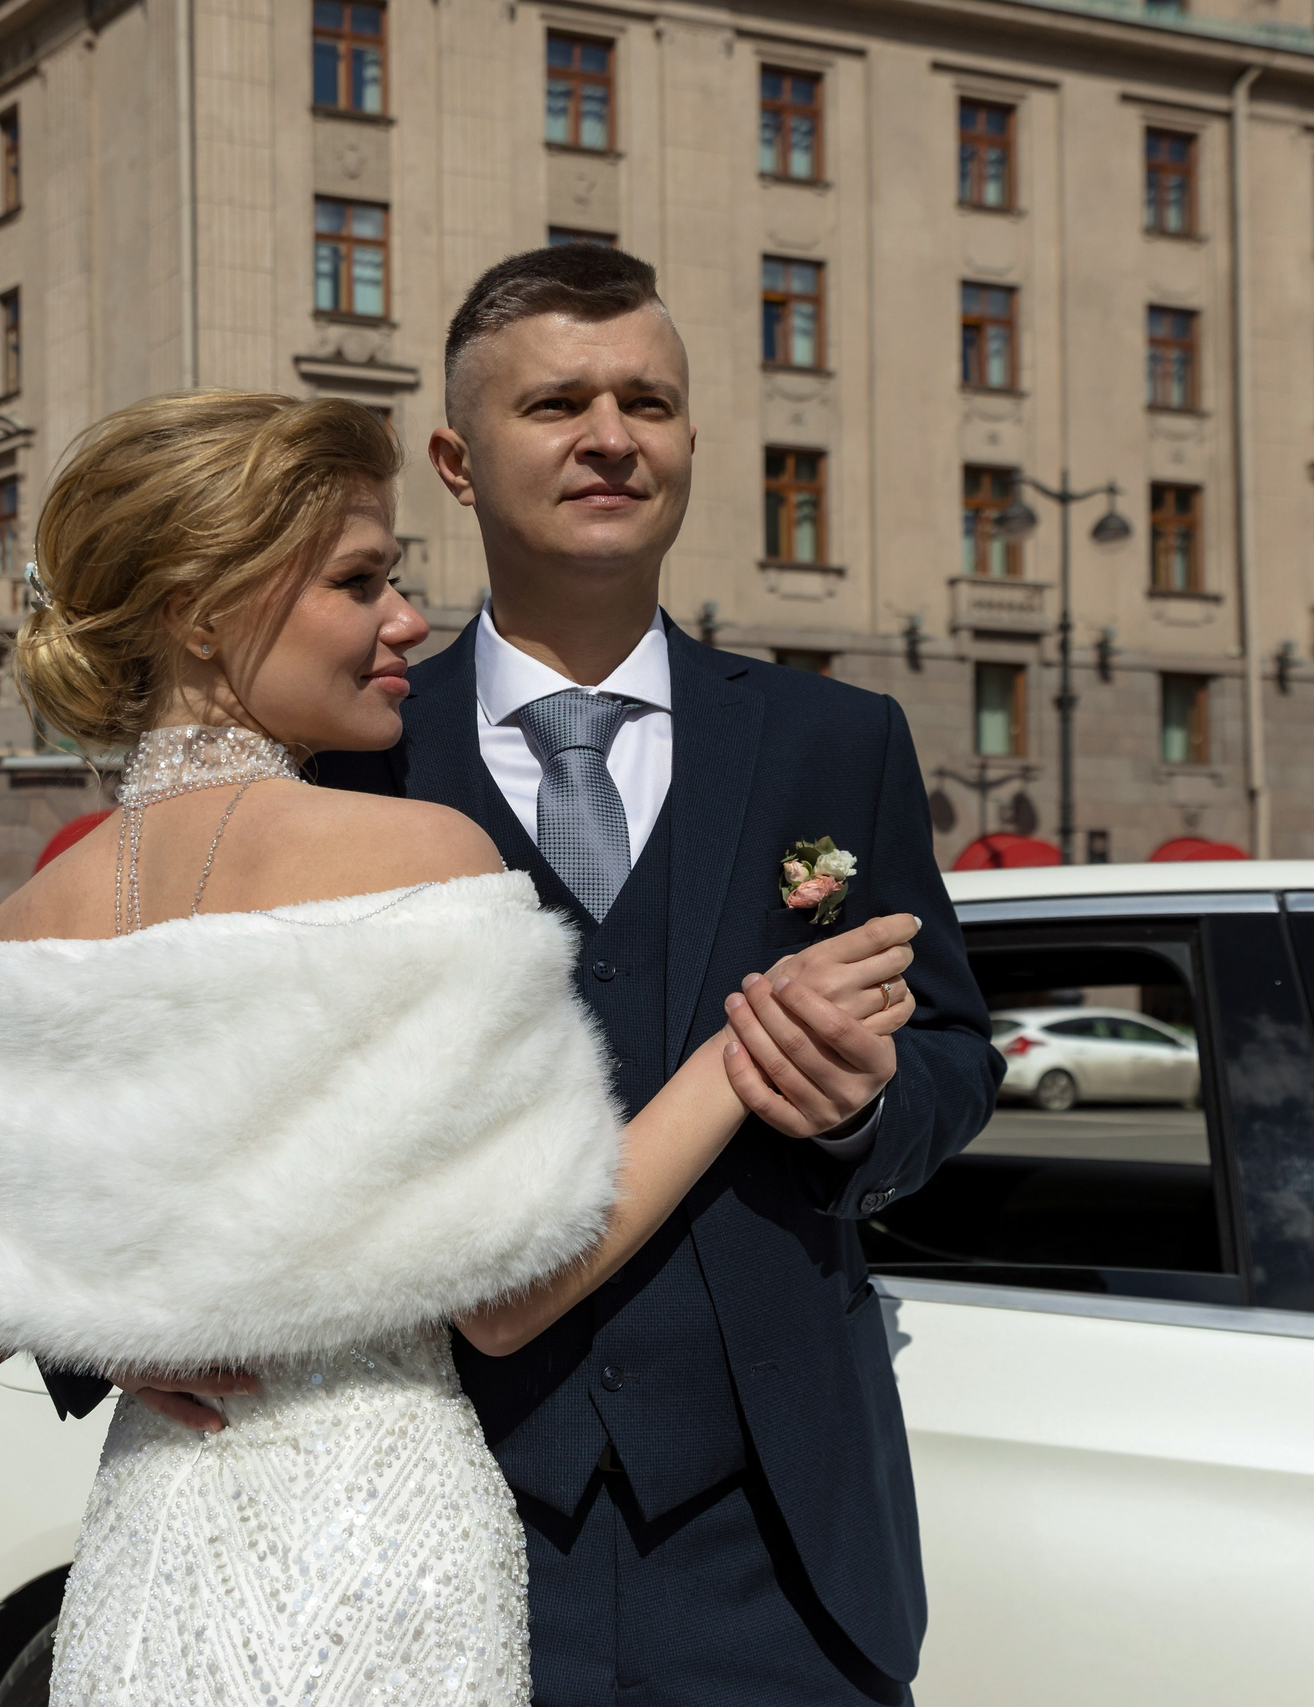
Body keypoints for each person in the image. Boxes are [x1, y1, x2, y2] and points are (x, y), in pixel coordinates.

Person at [0, 389, 926, 1705]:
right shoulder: (412, 854)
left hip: (150, 1552)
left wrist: (131, 1318)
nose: (404, 622)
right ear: (201, 612)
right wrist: (741, 1055)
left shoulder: (31, 912)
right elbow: (506, 1303)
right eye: (360, 581)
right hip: (380, 1544)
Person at [320, 246, 999, 1705]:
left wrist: (870, 1107)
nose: (611, 435)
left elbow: (957, 1054)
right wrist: (134, 1351)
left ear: (692, 441)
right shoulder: (351, 761)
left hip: (784, 1547)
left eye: (650, 401)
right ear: (455, 457)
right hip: (439, 1516)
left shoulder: (839, 743)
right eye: (558, 402)